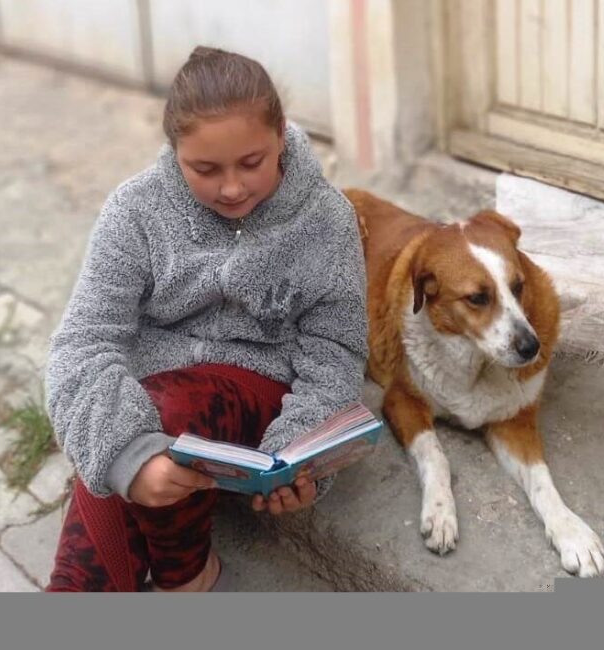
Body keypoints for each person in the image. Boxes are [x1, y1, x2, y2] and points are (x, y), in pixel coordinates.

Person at [43, 46, 368, 592]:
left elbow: (335, 354)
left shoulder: (327, 221)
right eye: (205, 169)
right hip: (155, 397)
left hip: (258, 398)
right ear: (175, 151)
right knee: (113, 465)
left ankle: (184, 576)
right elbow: (83, 342)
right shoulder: (135, 211)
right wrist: (130, 459)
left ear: (282, 134)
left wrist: (298, 459)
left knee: (164, 420)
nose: (233, 188)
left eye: (251, 162)